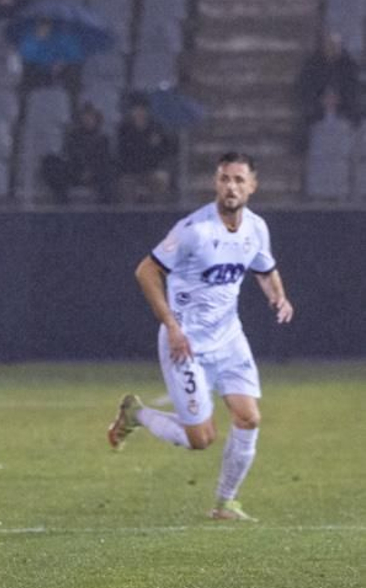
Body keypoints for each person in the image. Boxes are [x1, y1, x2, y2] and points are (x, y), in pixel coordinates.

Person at [107, 153, 294, 521]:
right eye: (225, 179)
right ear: (215, 183)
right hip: (186, 344)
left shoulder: (256, 228)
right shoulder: (194, 230)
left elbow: (264, 267)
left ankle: (225, 503)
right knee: (201, 439)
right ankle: (136, 413)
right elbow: (146, 272)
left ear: (252, 186)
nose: (231, 187)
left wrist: (279, 296)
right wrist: (172, 327)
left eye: (239, 180)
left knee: (249, 418)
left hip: (229, 339)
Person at [41, 101, 117, 204]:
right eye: (85, 116)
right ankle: (62, 203)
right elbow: (69, 155)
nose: (88, 119)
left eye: (91, 117)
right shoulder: (73, 137)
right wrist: (80, 171)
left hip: (97, 175)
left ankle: (105, 207)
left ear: (96, 119)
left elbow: (105, 159)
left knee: (109, 173)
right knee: (51, 163)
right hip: (75, 172)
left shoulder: (103, 139)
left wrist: (91, 171)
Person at [115, 93, 177, 203]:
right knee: (125, 184)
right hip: (131, 172)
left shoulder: (156, 128)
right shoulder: (124, 129)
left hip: (152, 170)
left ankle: (159, 211)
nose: (139, 112)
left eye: (142, 109)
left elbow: (166, 151)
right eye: (136, 109)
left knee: (162, 180)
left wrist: (157, 146)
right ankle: (128, 212)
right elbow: (123, 153)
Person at [295, 32, 359, 118]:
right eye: (329, 45)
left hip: (344, 113)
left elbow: (353, 90)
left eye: (335, 45)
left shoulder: (348, 66)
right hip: (315, 113)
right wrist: (320, 99)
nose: (332, 48)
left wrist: (339, 99)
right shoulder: (312, 65)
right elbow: (305, 89)